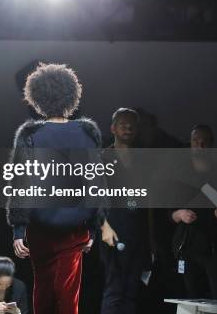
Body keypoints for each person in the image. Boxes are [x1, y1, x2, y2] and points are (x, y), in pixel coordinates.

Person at [6, 63, 104, 314]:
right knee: (66, 296)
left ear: (37, 98)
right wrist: (93, 228)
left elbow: (20, 185)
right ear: (71, 96)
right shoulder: (87, 133)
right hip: (74, 230)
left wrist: (19, 230)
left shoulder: (29, 135)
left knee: (44, 291)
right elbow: (95, 185)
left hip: (40, 230)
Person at [170, 125, 217, 299]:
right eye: (196, 141)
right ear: (190, 144)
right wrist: (180, 214)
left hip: (214, 247)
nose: (200, 146)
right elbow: (169, 213)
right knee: (190, 297)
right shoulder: (179, 174)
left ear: (211, 144)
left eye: (204, 142)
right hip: (187, 245)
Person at [99, 108, 151, 314]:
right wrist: (104, 227)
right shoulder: (102, 158)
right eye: (123, 124)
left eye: (132, 125)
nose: (128, 128)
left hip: (137, 233)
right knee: (114, 290)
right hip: (112, 232)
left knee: (131, 292)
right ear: (113, 128)